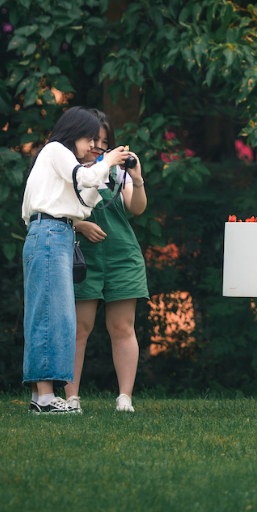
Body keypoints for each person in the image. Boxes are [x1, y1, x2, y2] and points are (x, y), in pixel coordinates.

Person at [20, 106, 132, 414]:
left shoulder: (63, 160)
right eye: (91, 139)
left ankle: (40, 396)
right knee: (50, 317)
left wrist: (104, 173)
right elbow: (82, 178)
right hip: (50, 233)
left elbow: (84, 202)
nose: (94, 147)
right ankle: (45, 398)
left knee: (50, 316)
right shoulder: (56, 150)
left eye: (99, 142)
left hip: (54, 234)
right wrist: (105, 161)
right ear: (74, 132)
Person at [66, 111, 149, 413]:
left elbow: (136, 209)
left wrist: (137, 178)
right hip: (82, 256)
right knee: (78, 328)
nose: (99, 146)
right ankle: (71, 397)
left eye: (105, 141)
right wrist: (79, 225)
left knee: (123, 327)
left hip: (122, 255)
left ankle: (124, 398)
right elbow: (54, 209)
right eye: (94, 140)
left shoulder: (119, 172)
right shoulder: (70, 169)